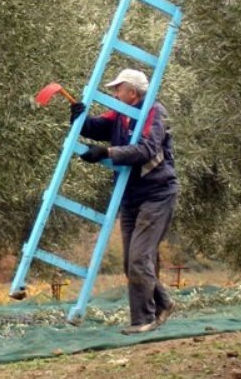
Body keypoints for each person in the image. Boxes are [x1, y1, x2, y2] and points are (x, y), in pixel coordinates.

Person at [70, 68, 178, 335]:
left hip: (157, 194)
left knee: (139, 258)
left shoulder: (154, 111)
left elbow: (147, 149)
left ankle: (143, 319)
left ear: (132, 92)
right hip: (130, 196)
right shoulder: (121, 113)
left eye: (118, 89)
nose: (114, 93)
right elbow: (97, 127)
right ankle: (163, 303)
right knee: (131, 261)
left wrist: (108, 152)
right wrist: (78, 116)